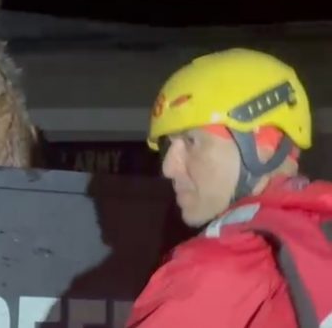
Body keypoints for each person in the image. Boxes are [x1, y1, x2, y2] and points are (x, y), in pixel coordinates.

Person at [126, 47, 332, 328]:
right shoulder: (319, 236)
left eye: (190, 142)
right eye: (168, 147)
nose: (168, 167)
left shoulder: (219, 265)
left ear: (262, 144)